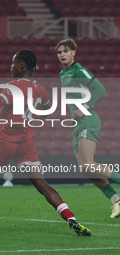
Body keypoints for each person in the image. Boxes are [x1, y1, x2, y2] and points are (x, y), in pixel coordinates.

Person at [0, 49, 91, 236]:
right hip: (25, 141)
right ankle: (71, 219)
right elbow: (45, 108)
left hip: (4, 141)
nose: (10, 67)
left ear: (22, 66)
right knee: (42, 185)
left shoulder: (14, 86)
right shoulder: (40, 90)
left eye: (13, 63)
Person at [56, 38, 120, 218]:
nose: (62, 54)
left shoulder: (78, 70)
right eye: (59, 52)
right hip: (78, 125)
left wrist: (82, 109)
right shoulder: (63, 74)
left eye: (65, 51)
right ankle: (116, 199)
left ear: (73, 52)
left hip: (88, 121)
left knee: (88, 164)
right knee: (85, 169)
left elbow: (99, 88)